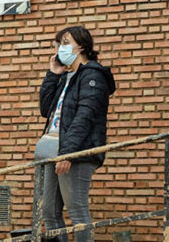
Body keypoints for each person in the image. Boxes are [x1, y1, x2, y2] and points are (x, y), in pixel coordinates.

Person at [37, 26, 116, 242]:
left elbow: (85, 115)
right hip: (54, 150)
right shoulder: (65, 76)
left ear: (81, 45)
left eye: (65, 42)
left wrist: (68, 153)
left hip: (77, 153)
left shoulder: (93, 76)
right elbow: (46, 109)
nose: (60, 48)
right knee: (49, 213)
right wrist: (52, 75)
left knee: (77, 211)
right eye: (58, 44)